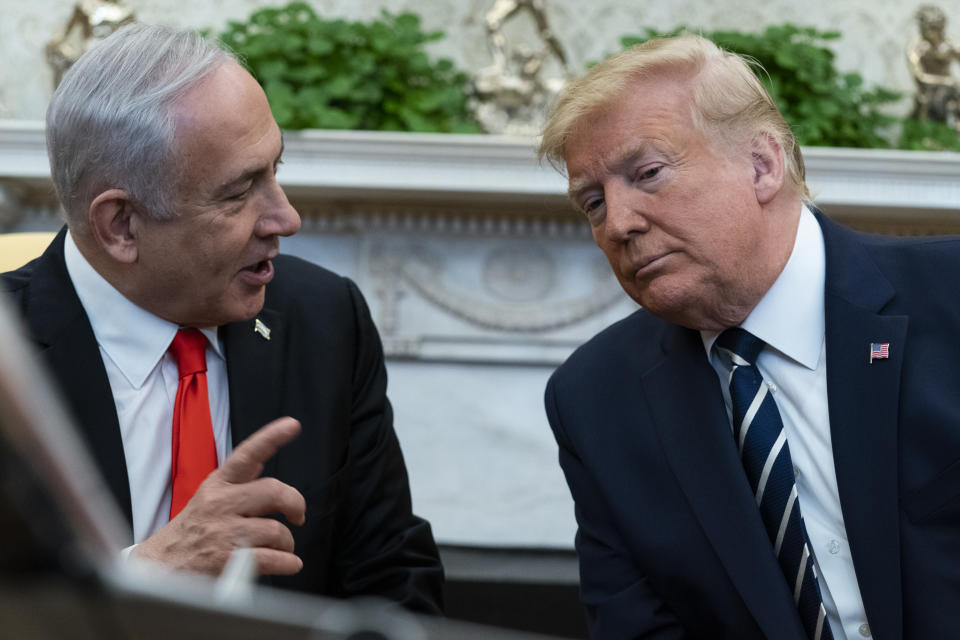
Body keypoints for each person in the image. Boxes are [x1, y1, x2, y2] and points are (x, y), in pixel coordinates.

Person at [1, 23, 442, 613]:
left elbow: (393, 580)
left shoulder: (325, 320)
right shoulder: (10, 364)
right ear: (121, 226)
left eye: (274, 171)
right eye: (239, 194)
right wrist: (143, 573)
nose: (286, 219)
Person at [539, 35, 960, 639]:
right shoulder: (596, 397)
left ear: (762, 164)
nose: (619, 223)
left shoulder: (949, 297)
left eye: (648, 173)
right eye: (593, 202)